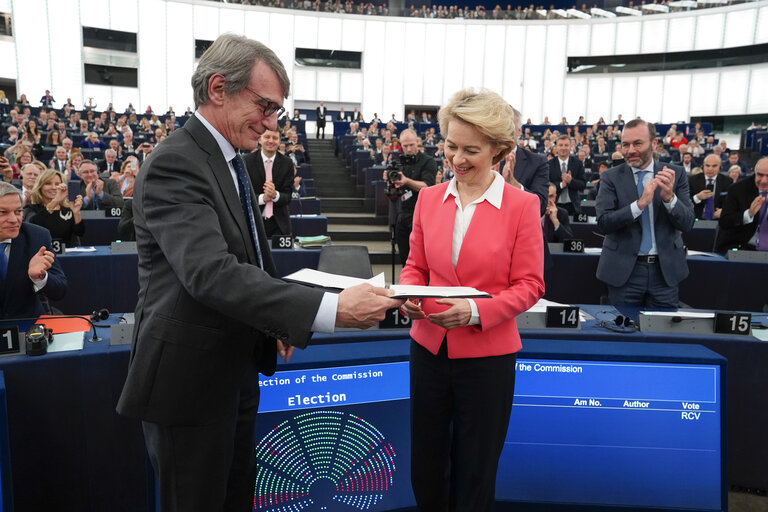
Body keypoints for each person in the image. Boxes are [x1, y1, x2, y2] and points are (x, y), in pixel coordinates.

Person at [115, 34, 401, 512]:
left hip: (234, 372)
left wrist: (275, 323)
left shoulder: (229, 160)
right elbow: (211, 273)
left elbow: (248, 258)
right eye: (265, 106)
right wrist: (327, 309)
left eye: (277, 111)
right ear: (218, 89)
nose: (272, 123)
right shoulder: (176, 163)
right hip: (190, 386)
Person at [399, 88, 544, 512]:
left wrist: (477, 311)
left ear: (499, 149)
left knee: (475, 469)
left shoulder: (523, 206)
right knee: (426, 466)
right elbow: (414, 267)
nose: (456, 159)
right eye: (450, 146)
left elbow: (530, 285)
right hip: (428, 350)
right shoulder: (428, 199)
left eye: (471, 150)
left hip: (487, 358)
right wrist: (408, 294)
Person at [596, 119, 694, 307]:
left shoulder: (675, 174)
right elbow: (604, 223)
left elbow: (688, 223)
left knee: (663, 326)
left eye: (638, 143)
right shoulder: (610, 177)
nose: (630, 150)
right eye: (625, 145)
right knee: (622, 325)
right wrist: (639, 205)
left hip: (665, 273)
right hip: (623, 272)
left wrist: (669, 199)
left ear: (654, 143)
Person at [0, 182, 67, 319]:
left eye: (18, 211)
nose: (13, 219)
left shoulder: (36, 236)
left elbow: (60, 290)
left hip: (27, 322)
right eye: (3, 212)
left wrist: (40, 277)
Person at [384, 128, 437, 264]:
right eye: (405, 146)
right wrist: (390, 182)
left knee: (421, 260)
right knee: (405, 259)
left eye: (411, 145)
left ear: (417, 142)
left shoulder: (428, 161)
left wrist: (406, 181)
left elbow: (428, 186)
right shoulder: (398, 163)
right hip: (402, 214)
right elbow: (394, 193)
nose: (408, 149)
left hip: (422, 215)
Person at [244, 129, 294, 236]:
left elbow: (288, 196)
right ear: (260, 139)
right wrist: (263, 198)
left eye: (275, 138)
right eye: (267, 137)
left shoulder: (287, 163)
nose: (271, 141)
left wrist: (275, 195)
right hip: (253, 223)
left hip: (279, 225)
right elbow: (243, 195)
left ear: (279, 141)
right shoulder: (246, 161)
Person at [716, 157, 768, 252]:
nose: (764, 181)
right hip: (743, 246)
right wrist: (748, 214)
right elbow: (725, 221)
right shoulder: (738, 189)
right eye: (760, 175)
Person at [23, 169, 84, 246]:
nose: (54, 187)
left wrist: (76, 213)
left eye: (57, 184)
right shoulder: (30, 209)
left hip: (68, 251)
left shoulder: (67, 209)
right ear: (40, 186)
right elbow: (33, 225)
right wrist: (55, 201)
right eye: (48, 183)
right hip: (41, 251)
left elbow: (80, 232)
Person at [548, 134, 586, 214]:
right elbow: (546, 185)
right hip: (554, 205)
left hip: (573, 206)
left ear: (570, 147)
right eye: (560, 145)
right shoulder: (549, 164)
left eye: (566, 145)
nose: (563, 148)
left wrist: (571, 181)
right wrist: (561, 185)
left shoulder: (578, 163)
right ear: (556, 147)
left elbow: (583, 184)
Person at [689, 154, 732, 220]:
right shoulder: (692, 180)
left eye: (714, 166)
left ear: (720, 167)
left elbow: (731, 202)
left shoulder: (728, 181)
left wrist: (724, 211)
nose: (710, 169)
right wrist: (697, 197)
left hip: (719, 219)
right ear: (703, 166)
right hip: (697, 218)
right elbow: (685, 202)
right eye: (707, 165)